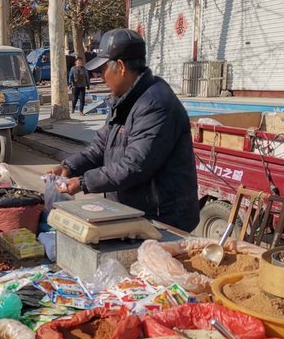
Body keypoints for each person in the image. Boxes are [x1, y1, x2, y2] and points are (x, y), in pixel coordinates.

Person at [48, 28, 200, 232]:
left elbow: (134, 166)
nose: (101, 76)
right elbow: (100, 147)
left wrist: (84, 182)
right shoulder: (124, 99)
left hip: (162, 218)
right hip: (132, 210)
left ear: (120, 67)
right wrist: (69, 167)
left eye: (103, 70)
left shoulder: (155, 105)